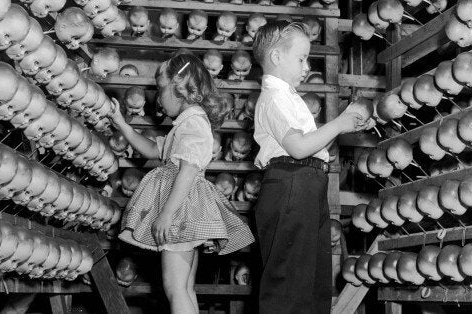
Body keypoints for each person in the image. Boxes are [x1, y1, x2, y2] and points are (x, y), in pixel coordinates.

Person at [109, 53, 255, 314]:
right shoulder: (186, 124)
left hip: (179, 214)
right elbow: (154, 150)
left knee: (174, 288)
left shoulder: (194, 124)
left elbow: (187, 171)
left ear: (180, 88)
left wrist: (166, 214)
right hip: (184, 213)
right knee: (184, 288)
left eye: (160, 89)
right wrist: (122, 124)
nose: (158, 97)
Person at [252, 21, 369, 314]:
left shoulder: (289, 97)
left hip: (306, 182)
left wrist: (348, 122)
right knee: (289, 282)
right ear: (277, 57)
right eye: (301, 58)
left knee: (313, 279)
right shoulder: (274, 97)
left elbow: (313, 149)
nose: (306, 66)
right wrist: (339, 124)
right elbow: (298, 147)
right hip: (291, 182)